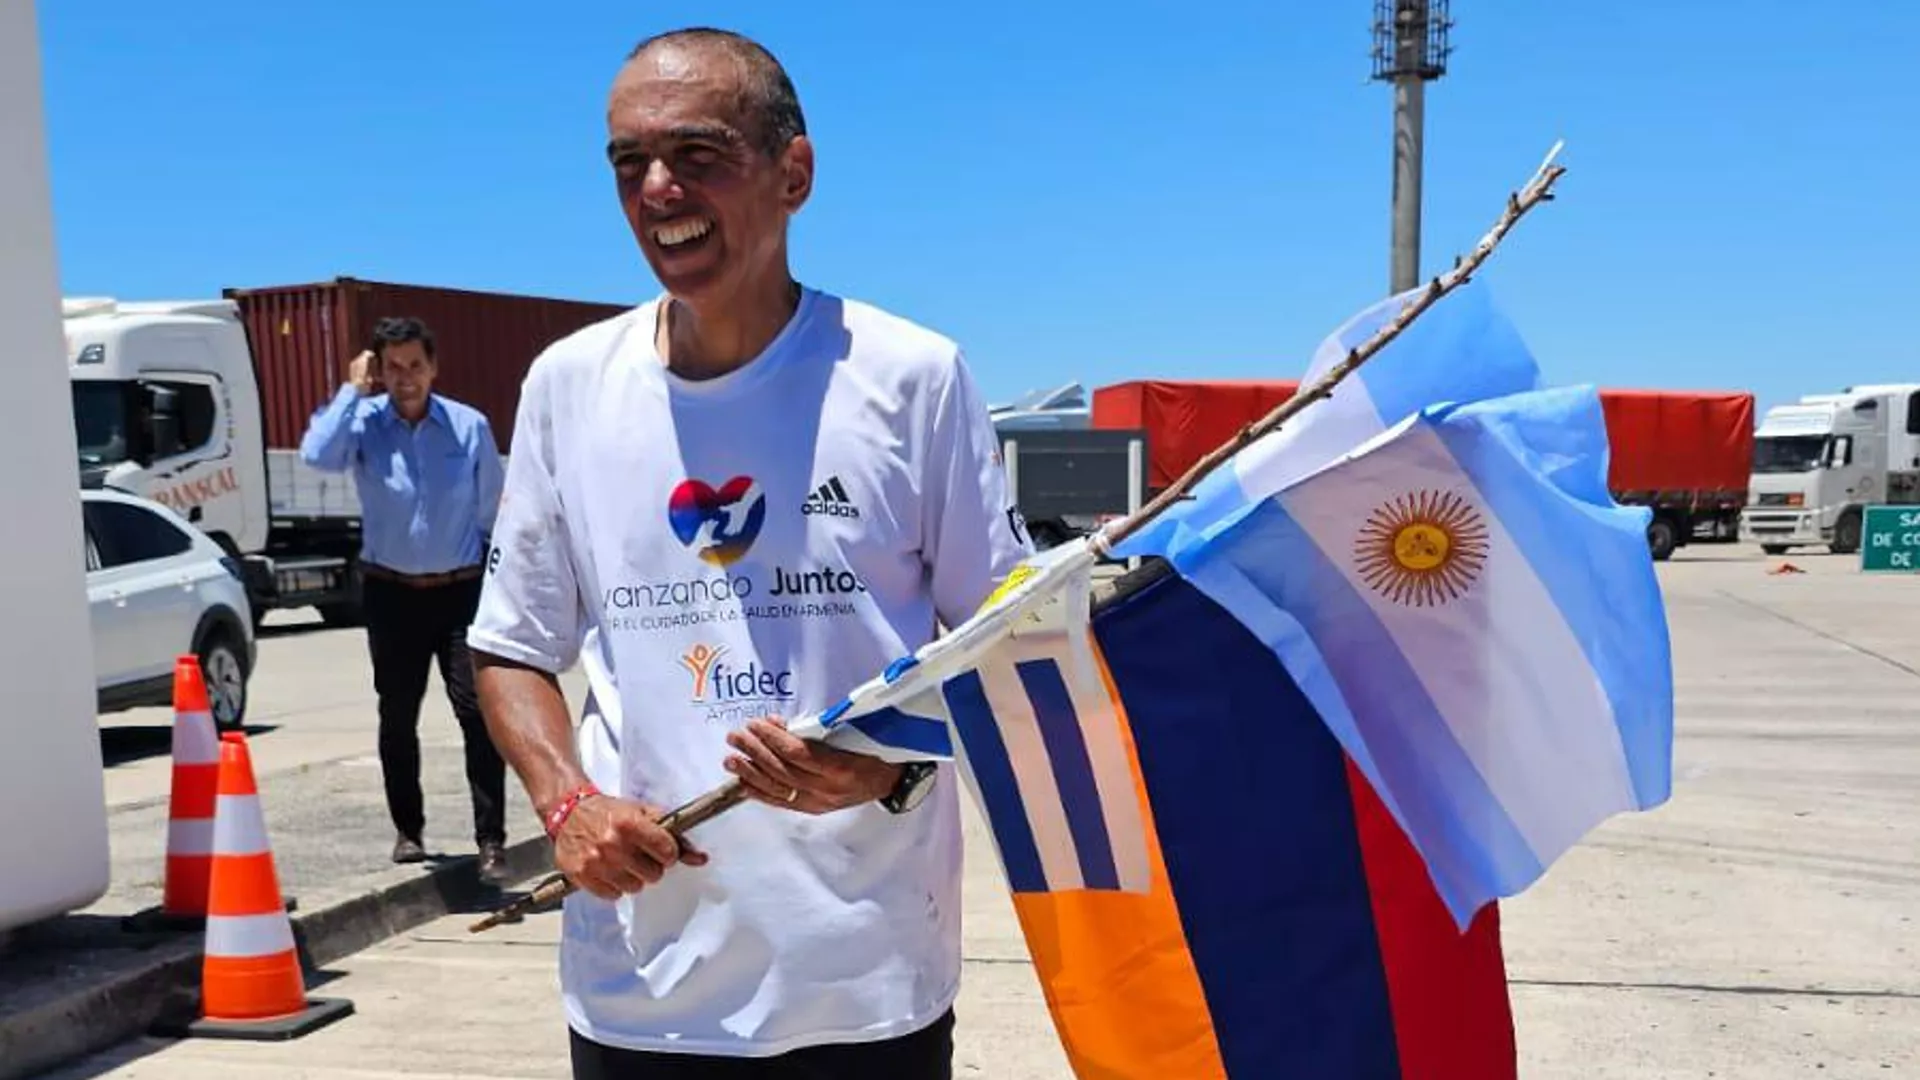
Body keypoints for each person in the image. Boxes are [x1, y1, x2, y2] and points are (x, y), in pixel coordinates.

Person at [466, 26, 1032, 1080]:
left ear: (793, 173)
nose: (658, 188)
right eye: (629, 162)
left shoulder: (909, 379)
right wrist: (567, 802)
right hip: (640, 991)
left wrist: (887, 767)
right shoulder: (568, 387)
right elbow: (512, 646)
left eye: (698, 153)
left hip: (866, 985)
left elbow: (1006, 644)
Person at [300, 316, 512, 884]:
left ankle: (491, 840)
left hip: (461, 592)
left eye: (415, 365)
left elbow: (493, 513)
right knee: (397, 716)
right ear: (379, 370)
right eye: (393, 367)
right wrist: (351, 390)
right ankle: (409, 831)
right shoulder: (364, 425)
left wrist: (497, 586)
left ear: (433, 367)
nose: (406, 377)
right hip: (390, 593)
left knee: (478, 715)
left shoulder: (468, 427)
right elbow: (316, 454)